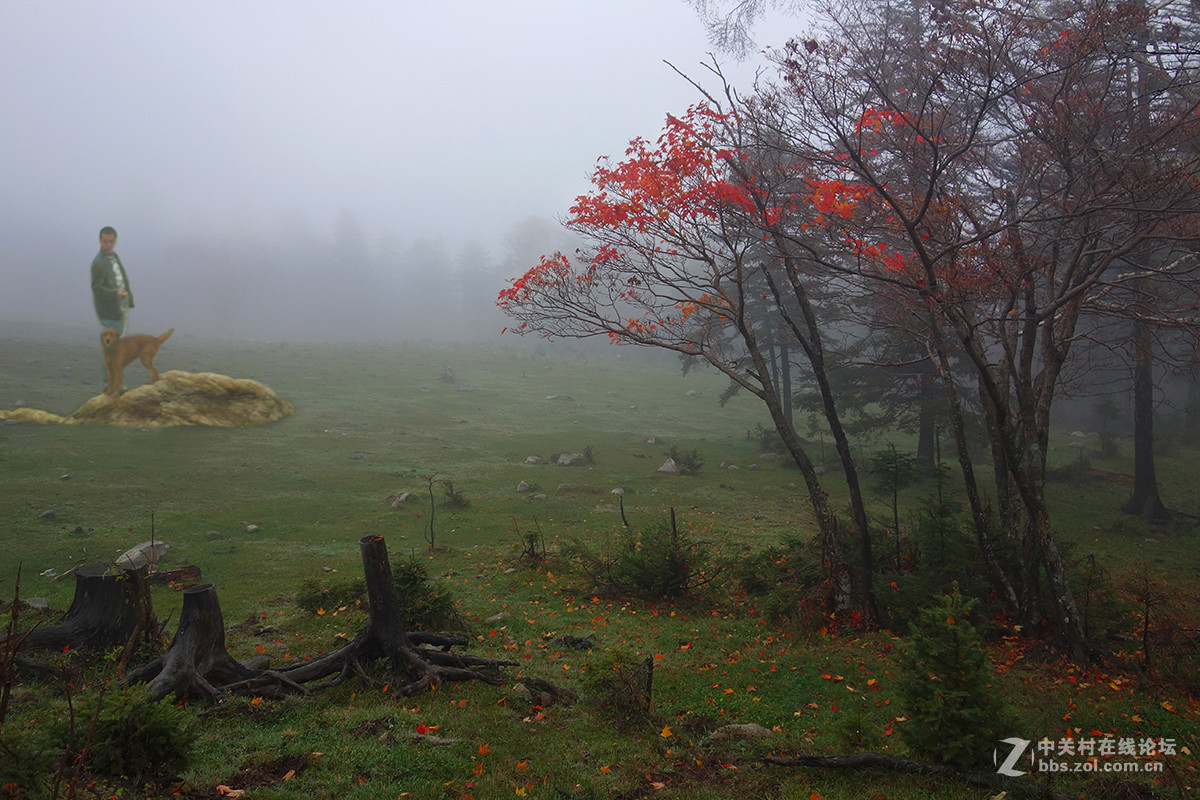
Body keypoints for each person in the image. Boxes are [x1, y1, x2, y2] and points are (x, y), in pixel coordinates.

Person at [90, 226, 134, 386]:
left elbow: (121, 278)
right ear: (100, 241)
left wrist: (128, 299)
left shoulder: (114, 257)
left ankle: (116, 383)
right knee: (110, 349)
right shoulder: (98, 262)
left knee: (117, 348)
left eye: (111, 241)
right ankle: (110, 383)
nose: (108, 245)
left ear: (115, 241)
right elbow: (97, 288)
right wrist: (115, 293)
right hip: (109, 310)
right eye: (105, 242)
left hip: (119, 307)